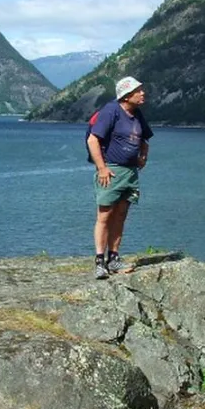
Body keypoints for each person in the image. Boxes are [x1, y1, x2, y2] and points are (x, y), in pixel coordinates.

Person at [86, 76, 153, 280]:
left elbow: (144, 139)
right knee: (105, 215)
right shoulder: (111, 111)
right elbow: (93, 139)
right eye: (138, 90)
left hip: (130, 173)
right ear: (126, 95)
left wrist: (143, 157)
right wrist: (102, 168)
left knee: (121, 215)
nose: (143, 93)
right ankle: (99, 261)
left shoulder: (137, 114)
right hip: (112, 171)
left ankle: (114, 258)